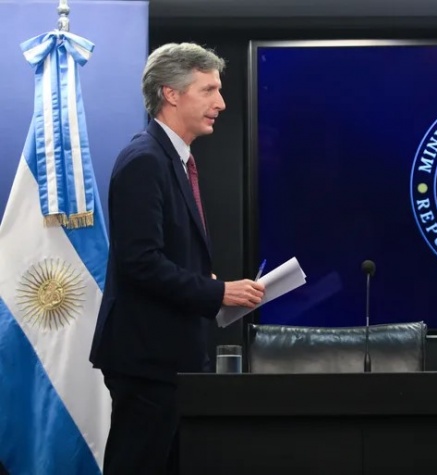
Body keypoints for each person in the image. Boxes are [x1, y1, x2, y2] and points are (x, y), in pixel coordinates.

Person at [89, 42, 265, 474]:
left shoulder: (172, 158)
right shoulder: (144, 161)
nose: (221, 103)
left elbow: (159, 255)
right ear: (171, 93)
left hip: (170, 357)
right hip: (148, 360)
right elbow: (140, 263)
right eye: (208, 90)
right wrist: (217, 290)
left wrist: (203, 280)